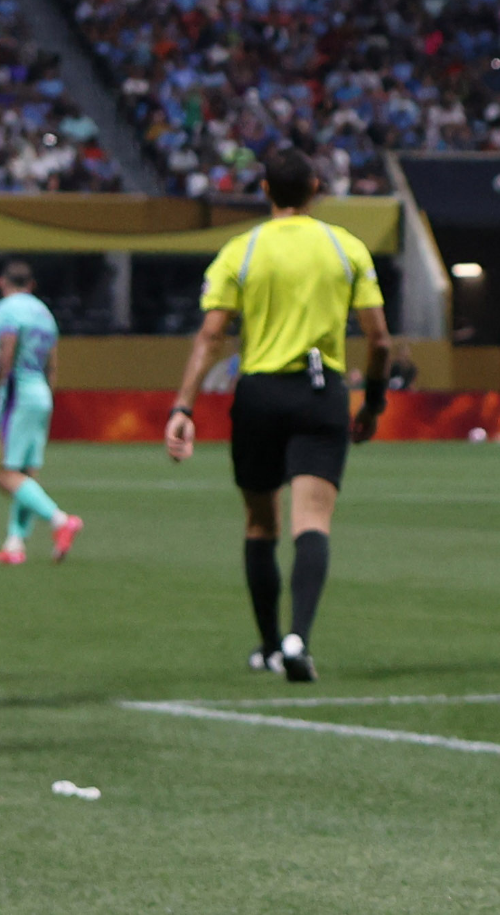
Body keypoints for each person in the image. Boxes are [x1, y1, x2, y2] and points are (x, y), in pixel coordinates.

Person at [165, 147, 392, 683]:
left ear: (264, 190)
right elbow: (380, 340)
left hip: (260, 394)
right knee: (312, 521)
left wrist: (183, 406)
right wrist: (374, 403)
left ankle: (268, 645)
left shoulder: (239, 252)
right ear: (316, 188)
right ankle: (299, 639)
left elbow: (210, 336)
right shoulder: (346, 248)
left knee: (260, 523)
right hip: (321, 393)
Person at [0, 261, 82, 565]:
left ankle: (61, 520)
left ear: (2, 283)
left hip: (16, 393)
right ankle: (14, 546)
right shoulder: (45, 314)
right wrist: (47, 397)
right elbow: (53, 364)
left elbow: (4, 356)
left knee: (0, 472)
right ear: (32, 285)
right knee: (25, 475)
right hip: (40, 394)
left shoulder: (7, 309)